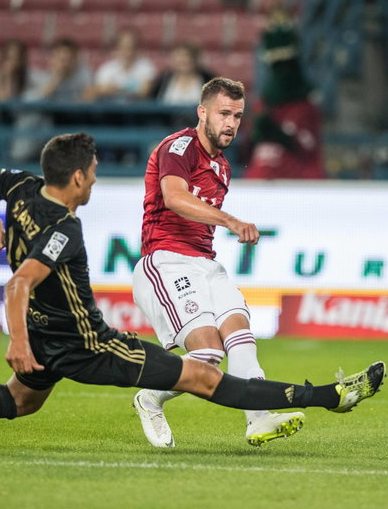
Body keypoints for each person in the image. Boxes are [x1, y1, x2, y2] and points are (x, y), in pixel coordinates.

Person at [0, 131, 386, 455]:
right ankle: (328, 397)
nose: (94, 184)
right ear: (79, 178)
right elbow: (19, 283)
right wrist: (15, 341)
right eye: (93, 176)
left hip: (43, 337)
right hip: (87, 344)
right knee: (206, 376)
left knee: (19, 401)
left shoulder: (16, 184)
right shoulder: (66, 228)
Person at [130, 77, 308, 449]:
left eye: (238, 116)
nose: (231, 123)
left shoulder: (222, 167)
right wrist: (230, 220)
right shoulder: (179, 147)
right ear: (203, 112)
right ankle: (150, 397)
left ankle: (258, 420)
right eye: (223, 113)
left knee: (241, 337)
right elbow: (174, 197)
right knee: (208, 354)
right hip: (167, 260)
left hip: (206, 265)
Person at [243, 11, 325, 179]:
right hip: (262, 175)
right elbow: (249, 145)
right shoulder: (263, 105)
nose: (281, 72)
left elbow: (307, 147)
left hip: (297, 178)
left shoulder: (305, 108)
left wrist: (278, 134)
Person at [84, 27, 156, 102]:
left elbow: (144, 91)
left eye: (131, 47)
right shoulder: (107, 68)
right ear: (116, 48)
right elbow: (93, 92)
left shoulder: (147, 67)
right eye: (123, 47)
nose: (127, 52)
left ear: (137, 48)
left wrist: (116, 89)